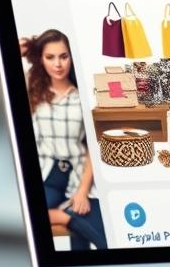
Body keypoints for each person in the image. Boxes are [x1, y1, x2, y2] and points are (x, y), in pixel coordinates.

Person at [23, 29, 108, 250]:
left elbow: (92, 147)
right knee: (29, 213)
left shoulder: (84, 95)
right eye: (50, 57)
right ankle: (64, 216)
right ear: (41, 59)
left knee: (104, 237)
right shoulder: (33, 88)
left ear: (72, 57)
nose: (58, 64)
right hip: (46, 175)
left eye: (64, 56)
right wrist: (27, 47)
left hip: (80, 176)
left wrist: (82, 192)